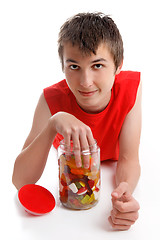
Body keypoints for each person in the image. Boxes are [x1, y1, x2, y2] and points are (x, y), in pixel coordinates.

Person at [12, 12, 141, 230]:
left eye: (97, 65)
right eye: (74, 67)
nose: (85, 82)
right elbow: (20, 180)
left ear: (118, 66)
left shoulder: (130, 90)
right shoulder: (51, 99)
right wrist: (54, 121)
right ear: (63, 67)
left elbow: (129, 157)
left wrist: (125, 188)